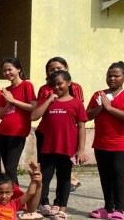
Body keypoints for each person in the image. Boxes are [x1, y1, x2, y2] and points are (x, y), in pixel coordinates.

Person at [86, 61, 124, 220]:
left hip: (120, 143)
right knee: (104, 174)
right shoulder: (98, 94)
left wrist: (109, 108)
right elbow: (87, 115)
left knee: (117, 173)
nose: (112, 78)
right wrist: (101, 107)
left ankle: (119, 209)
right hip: (101, 142)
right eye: (109, 75)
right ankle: (107, 208)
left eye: (116, 76)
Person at [30, 70, 87, 220]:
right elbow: (34, 116)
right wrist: (48, 100)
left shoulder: (76, 103)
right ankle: (44, 204)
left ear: (69, 83)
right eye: (54, 84)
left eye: (60, 83)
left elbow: (81, 127)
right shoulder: (50, 100)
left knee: (64, 179)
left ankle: (61, 209)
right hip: (48, 148)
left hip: (67, 148)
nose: (57, 87)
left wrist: (80, 149)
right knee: (45, 178)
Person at [32, 56, 85, 192]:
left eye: (58, 68)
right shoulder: (44, 89)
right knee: (46, 170)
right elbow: (37, 114)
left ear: (66, 69)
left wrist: (81, 147)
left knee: (64, 171)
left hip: (67, 134)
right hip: (46, 134)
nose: (54, 71)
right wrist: (49, 101)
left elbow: (78, 113)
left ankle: (61, 203)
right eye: (51, 69)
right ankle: (42, 201)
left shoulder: (75, 88)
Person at [0, 58, 36, 186]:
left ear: (18, 69)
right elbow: (0, 114)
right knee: (4, 169)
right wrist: (8, 101)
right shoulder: (6, 90)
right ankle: (9, 196)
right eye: (4, 70)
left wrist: (13, 101)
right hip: (2, 132)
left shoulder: (26, 85)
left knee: (11, 168)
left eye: (10, 69)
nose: (7, 73)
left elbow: (33, 107)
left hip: (17, 133)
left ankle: (18, 198)